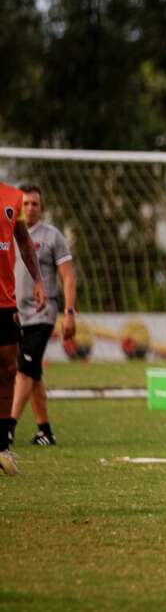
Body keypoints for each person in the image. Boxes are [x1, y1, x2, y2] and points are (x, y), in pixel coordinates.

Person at [9, 185, 76, 447]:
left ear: (41, 207)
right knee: (32, 372)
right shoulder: (9, 233)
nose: (29, 208)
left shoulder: (52, 236)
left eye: (34, 204)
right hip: (14, 315)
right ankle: (45, 431)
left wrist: (69, 313)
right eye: (25, 203)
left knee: (24, 370)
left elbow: (68, 275)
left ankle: (8, 428)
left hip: (42, 314)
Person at [0, 182, 46, 475]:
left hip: (4, 301)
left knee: (7, 370)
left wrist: (39, 279)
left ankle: (2, 445)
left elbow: (24, 241)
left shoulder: (13, 196)